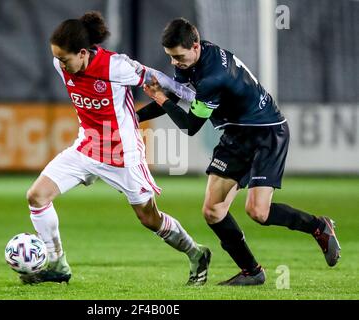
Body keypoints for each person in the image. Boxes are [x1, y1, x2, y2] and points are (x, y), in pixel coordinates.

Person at [138, 18, 341, 286]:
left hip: (266, 132)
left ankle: (318, 226)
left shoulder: (213, 77)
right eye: (171, 58)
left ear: (195, 46)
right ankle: (252, 272)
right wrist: (132, 117)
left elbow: (190, 126)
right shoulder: (194, 60)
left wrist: (159, 97)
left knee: (258, 212)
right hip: (236, 134)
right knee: (213, 211)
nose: (175, 63)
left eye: (178, 57)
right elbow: (176, 96)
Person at [21, 12, 211, 286]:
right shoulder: (60, 64)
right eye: (58, 58)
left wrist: (197, 98)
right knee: (37, 196)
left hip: (123, 154)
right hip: (86, 148)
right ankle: (58, 264)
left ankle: (196, 253)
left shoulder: (116, 66)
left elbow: (160, 79)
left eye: (65, 59)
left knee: (149, 218)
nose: (60, 64)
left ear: (83, 53)